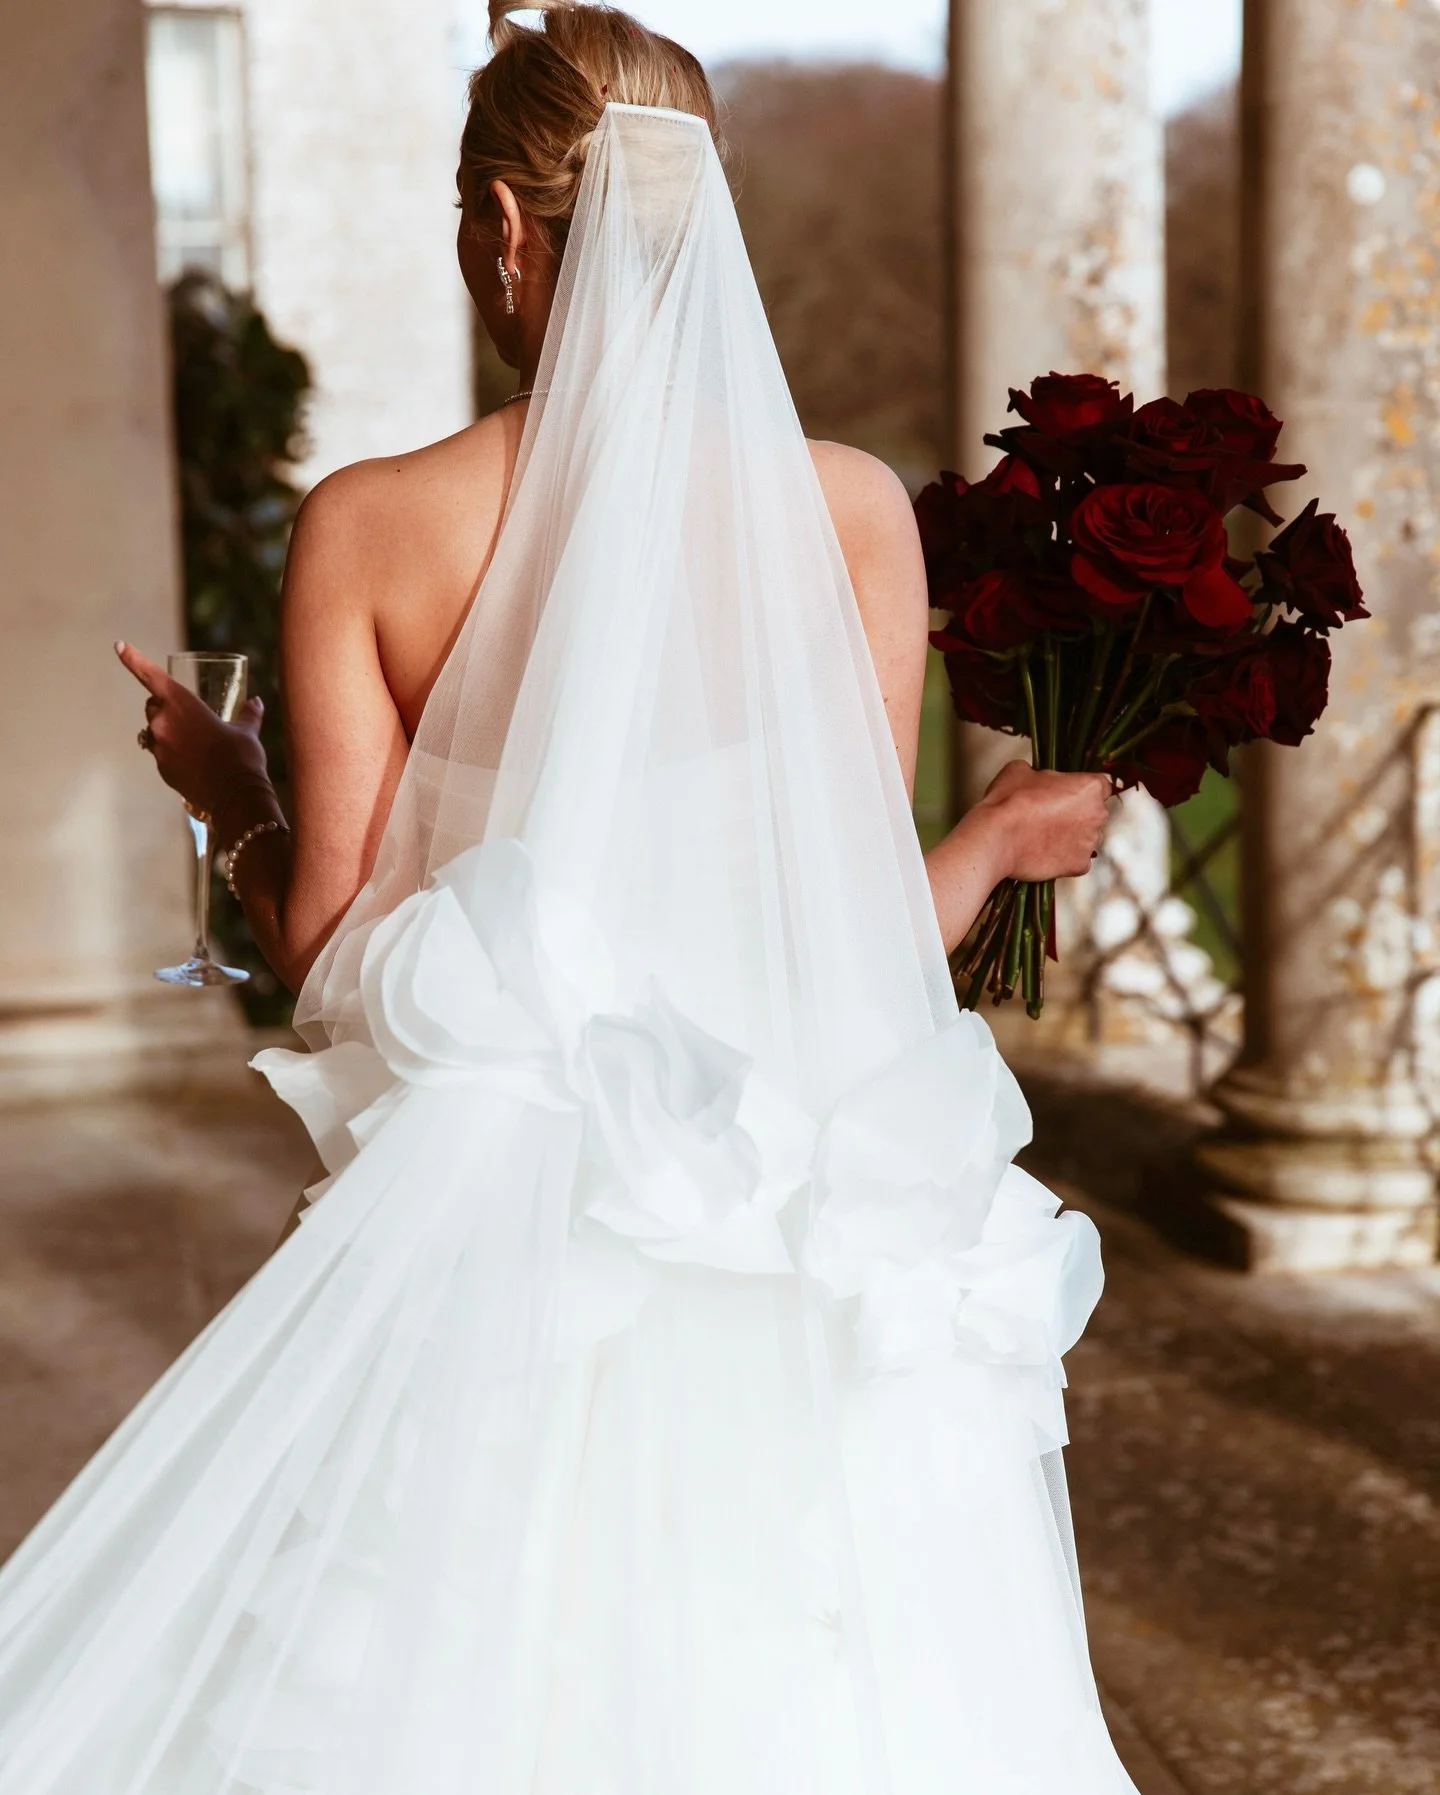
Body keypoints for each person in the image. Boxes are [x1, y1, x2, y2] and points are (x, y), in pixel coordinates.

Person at [2, 5, 1134, 1792]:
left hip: (515, 1267)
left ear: (506, 236)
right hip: (804, 1250)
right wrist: (988, 842)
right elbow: (842, 965)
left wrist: (234, 804)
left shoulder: (372, 527)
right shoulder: (843, 513)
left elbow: (329, 963)